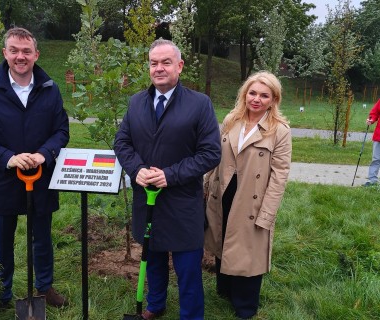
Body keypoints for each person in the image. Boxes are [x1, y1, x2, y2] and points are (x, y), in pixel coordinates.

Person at [114, 39, 221, 320]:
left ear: (179, 66)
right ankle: (155, 305)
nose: (158, 68)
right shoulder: (137, 102)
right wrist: (136, 169)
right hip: (146, 199)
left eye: (165, 62)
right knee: (154, 258)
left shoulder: (200, 104)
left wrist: (170, 175)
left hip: (182, 201)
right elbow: (122, 142)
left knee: (187, 268)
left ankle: (191, 315)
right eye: (153, 63)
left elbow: (210, 153)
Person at [0, 27, 70, 308]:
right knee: (2, 243)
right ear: (5, 53)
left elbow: (62, 130)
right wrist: (8, 157)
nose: (20, 56)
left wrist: (44, 154)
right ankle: (1, 294)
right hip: (4, 178)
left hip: (41, 177)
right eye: (14, 50)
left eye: (26, 51)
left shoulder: (50, 88)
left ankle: (44, 288)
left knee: (42, 239)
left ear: (36, 54)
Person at [204, 71, 291, 319]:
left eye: (264, 95)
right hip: (223, 191)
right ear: (245, 94)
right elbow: (214, 156)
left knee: (248, 249)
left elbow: (280, 175)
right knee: (223, 239)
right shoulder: (232, 120)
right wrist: (205, 185)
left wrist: (268, 213)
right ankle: (225, 290)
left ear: (274, 99)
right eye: (252, 93)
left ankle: (245, 305)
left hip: (252, 199)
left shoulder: (280, 131)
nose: (257, 99)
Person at [364, 99, 380, 186]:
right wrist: (371, 119)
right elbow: (375, 112)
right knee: (376, 159)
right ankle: (372, 180)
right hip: (379, 135)